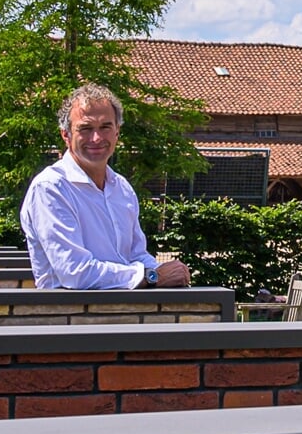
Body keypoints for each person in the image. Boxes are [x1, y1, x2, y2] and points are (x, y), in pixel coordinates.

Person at [20, 82, 192, 290]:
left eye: (105, 127)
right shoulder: (51, 189)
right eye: (85, 128)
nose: (97, 138)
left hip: (126, 314)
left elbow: (135, 255)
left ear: (117, 131)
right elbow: (75, 273)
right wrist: (152, 277)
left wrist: (165, 271)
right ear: (66, 135)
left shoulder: (122, 188)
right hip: (69, 317)